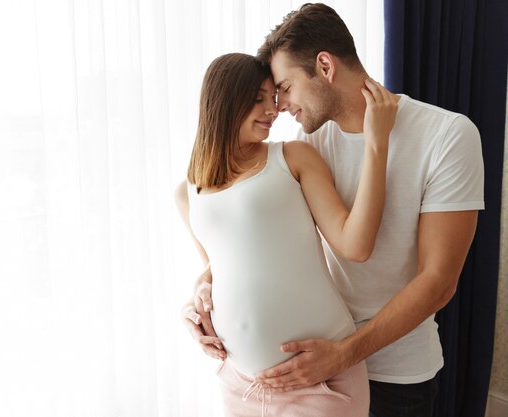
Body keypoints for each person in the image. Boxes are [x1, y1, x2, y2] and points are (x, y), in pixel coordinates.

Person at [183, 4, 485, 417]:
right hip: (304, 365)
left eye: (285, 87)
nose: (280, 105)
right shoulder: (310, 144)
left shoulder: (448, 135)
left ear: (324, 65)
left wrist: (343, 355)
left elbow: (438, 281)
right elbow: (260, 241)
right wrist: (203, 291)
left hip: (396, 373)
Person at [175, 52, 396, 416]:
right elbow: (223, 269)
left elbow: (355, 245)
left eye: (273, 98)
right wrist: (193, 307)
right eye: (258, 98)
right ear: (224, 101)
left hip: (320, 383)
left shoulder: (293, 157)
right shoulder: (187, 193)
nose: (272, 109)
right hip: (240, 384)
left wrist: (377, 143)